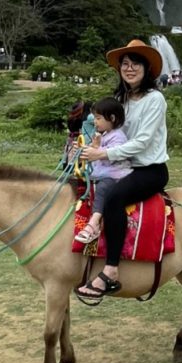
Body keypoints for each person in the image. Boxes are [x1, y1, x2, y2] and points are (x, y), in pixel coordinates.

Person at [75, 39, 169, 302]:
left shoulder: (155, 99)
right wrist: (86, 140)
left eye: (135, 64)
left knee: (115, 198)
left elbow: (142, 142)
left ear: (146, 69)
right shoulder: (119, 100)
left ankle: (111, 270)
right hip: (119, 166)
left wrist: (102, 153)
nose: (129, 68)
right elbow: (104, 129)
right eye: (124, 64)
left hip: (148, 169)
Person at [74, 97, 132, 244]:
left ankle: (93, 223)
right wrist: (83, 150)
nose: (95, 122)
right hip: (104, 172)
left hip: (115, 175)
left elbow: (110, 155)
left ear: (112, 118)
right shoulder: (105, 135)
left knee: (103, 188)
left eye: (98, 118)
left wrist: (95, 150)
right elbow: (96, 154)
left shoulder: (118, 136)